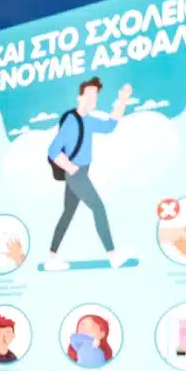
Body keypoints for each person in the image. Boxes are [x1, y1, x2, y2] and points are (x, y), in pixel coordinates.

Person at [44, 77, 135, 270]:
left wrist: (122, 100)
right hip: (76, 175)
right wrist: (71, 168)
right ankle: (113, 256)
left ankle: (51, 259)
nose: (93, 99)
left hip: (80, 173)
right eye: (90, 95)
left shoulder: (89, 121)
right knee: (98, 208)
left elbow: (110, 126)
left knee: (67, 214)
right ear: (80, 97)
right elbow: (53, 150)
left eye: (95, 96)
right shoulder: (71, 121)